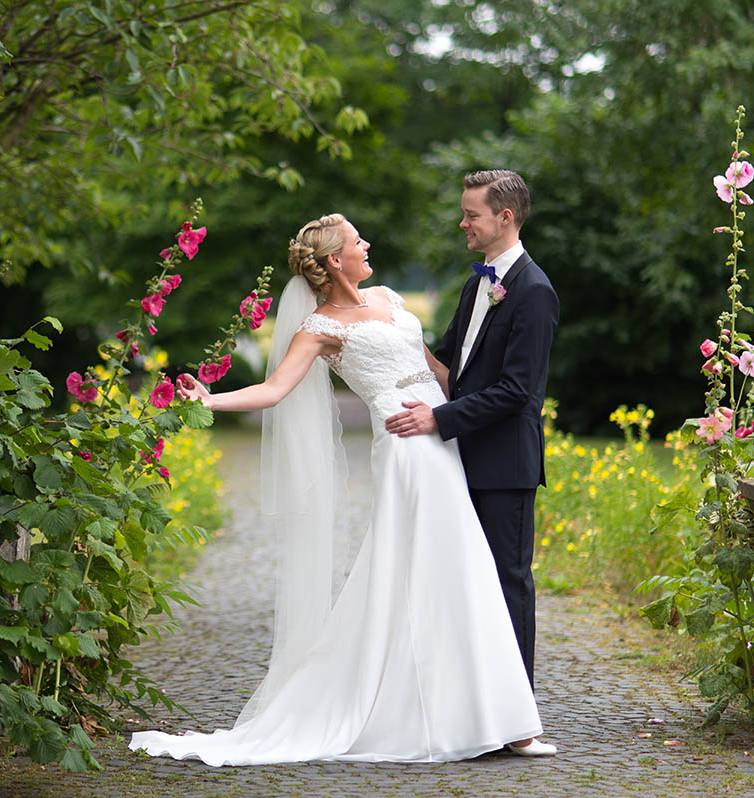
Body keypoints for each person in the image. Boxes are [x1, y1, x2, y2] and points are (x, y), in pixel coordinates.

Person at [128, 212, 556, 766]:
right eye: (358, 241)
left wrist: (481, 407)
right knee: (447, 568)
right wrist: (209, 400)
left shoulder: (389, 299)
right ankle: (479, 720)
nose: (367, 244)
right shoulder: (321, 328)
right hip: (406, 448)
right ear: (335, 260)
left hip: (443, 436)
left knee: (460, 569)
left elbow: (437, 372)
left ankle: (488, 714)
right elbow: (274, 388)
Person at [386, 170, 559, 691]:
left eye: (471, 215)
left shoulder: (534, 291)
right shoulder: (476, 282)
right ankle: (473, 704)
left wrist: (437, 419)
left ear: (505, 218)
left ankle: (516, 709)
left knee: (508, 584)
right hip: (458, 461)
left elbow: (517, 392)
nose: (463, 223)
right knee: (464, 584)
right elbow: (451, 372)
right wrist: (391, 336)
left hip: (505, 466)